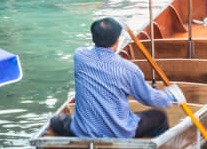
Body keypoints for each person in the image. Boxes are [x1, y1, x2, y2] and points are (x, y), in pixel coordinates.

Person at [48, 17, 184, 139]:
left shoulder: (80, 56)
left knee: (55, 121)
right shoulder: (129, 69)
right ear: (117, 40)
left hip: (84, 130)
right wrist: (171, 96)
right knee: (159, 117)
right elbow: (150, 98)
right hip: (119, 133)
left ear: (93, 38)